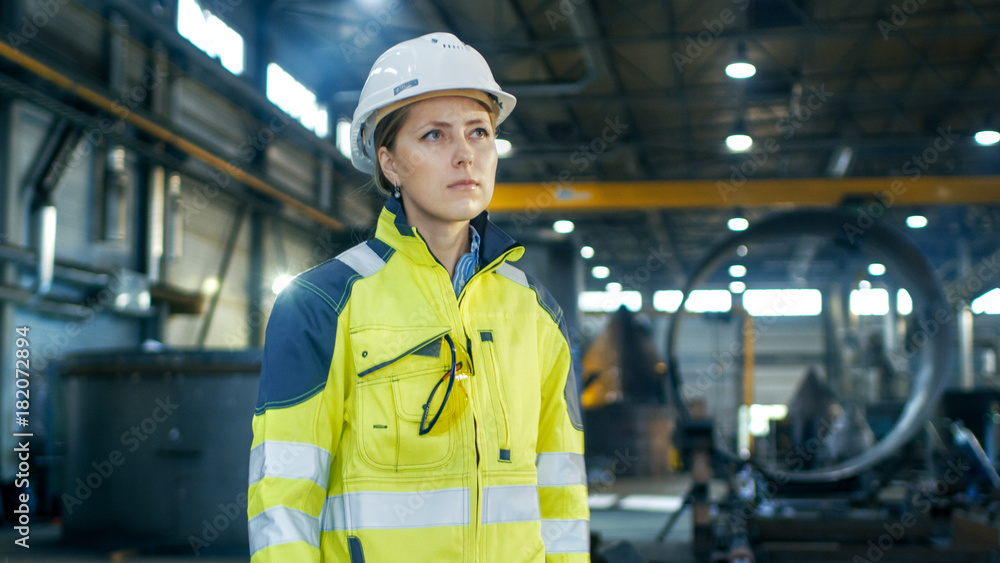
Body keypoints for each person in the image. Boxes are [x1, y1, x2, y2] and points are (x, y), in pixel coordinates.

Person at [247, 32, 589, 562]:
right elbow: (284, 494)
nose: (464, 155)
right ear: (390, 163)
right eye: (434, 136)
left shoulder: (536, 311)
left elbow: (562, 488)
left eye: (479, 133)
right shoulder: (321, 304)